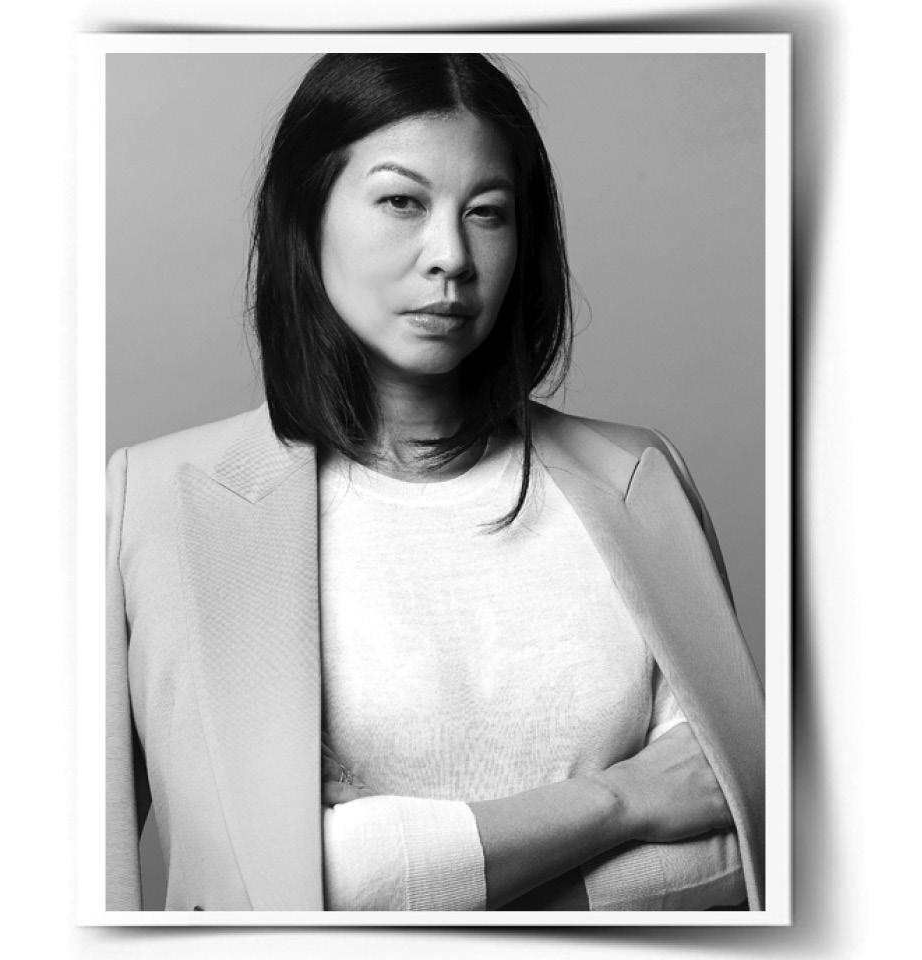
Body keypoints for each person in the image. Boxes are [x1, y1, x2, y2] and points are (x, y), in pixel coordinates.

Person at [105, 52, 764, 913]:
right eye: (401, 202)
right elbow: (296, 893)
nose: (452, 256)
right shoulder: (157, 504)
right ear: (307, 212)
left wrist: (410, 871)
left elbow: (736, 847)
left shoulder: (638, 481)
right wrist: (623, 801)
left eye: (488, 212)